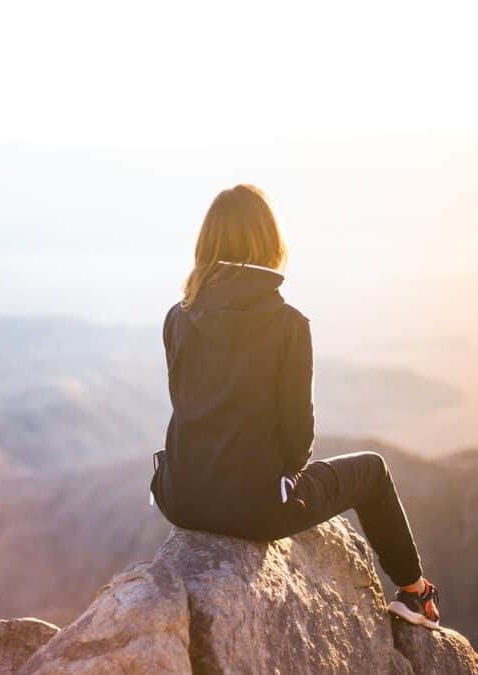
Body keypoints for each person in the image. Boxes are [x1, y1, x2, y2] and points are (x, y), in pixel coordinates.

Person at [149, 183, 440, 629]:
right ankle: (414, 592)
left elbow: (186, 403)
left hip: (179, 497)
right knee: (374, 470)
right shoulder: (288, 325)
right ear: (270, 243)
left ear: (206, 244)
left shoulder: (177, 316)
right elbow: (298, 439)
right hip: (255, 510)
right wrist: (281, 479)